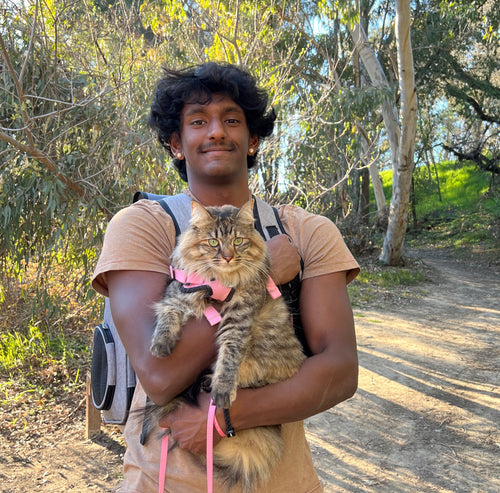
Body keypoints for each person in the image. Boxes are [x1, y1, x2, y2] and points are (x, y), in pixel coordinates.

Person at [92, 62, 360, 493]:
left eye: (231, 119)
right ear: (177, 144)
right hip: (165, 482)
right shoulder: (142, 226)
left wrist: (225, 418)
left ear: (253, 140)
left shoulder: (307, 232)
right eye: (198, 121)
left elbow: (341, 370)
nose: (216, 131)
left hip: (280, 480)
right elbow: (159, 376)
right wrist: (260, 273)